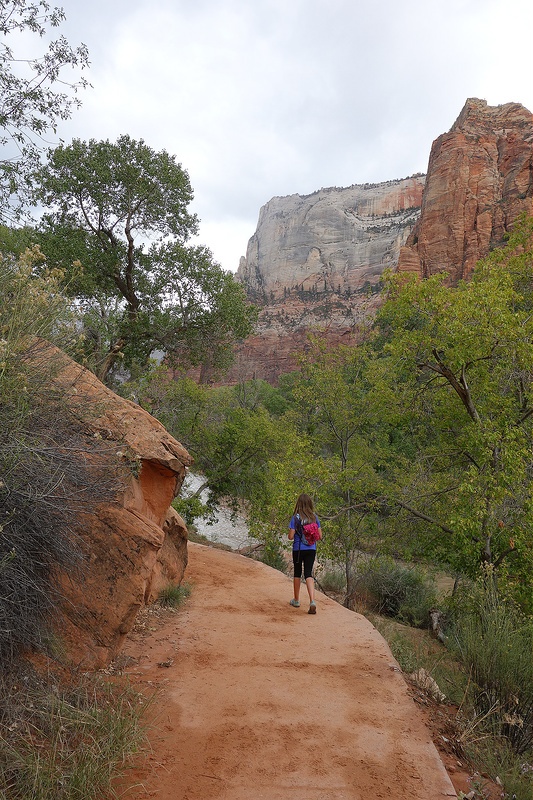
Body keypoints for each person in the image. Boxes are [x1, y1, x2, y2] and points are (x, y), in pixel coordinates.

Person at [288, 493, 321, 614]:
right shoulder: (314, 517)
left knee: (297, 572)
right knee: (308, 573)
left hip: (298, 549)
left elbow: (290, 536)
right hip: (311, 549)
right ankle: (312, 601)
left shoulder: (296, 518)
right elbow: (320, 536)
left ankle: (296, 600)